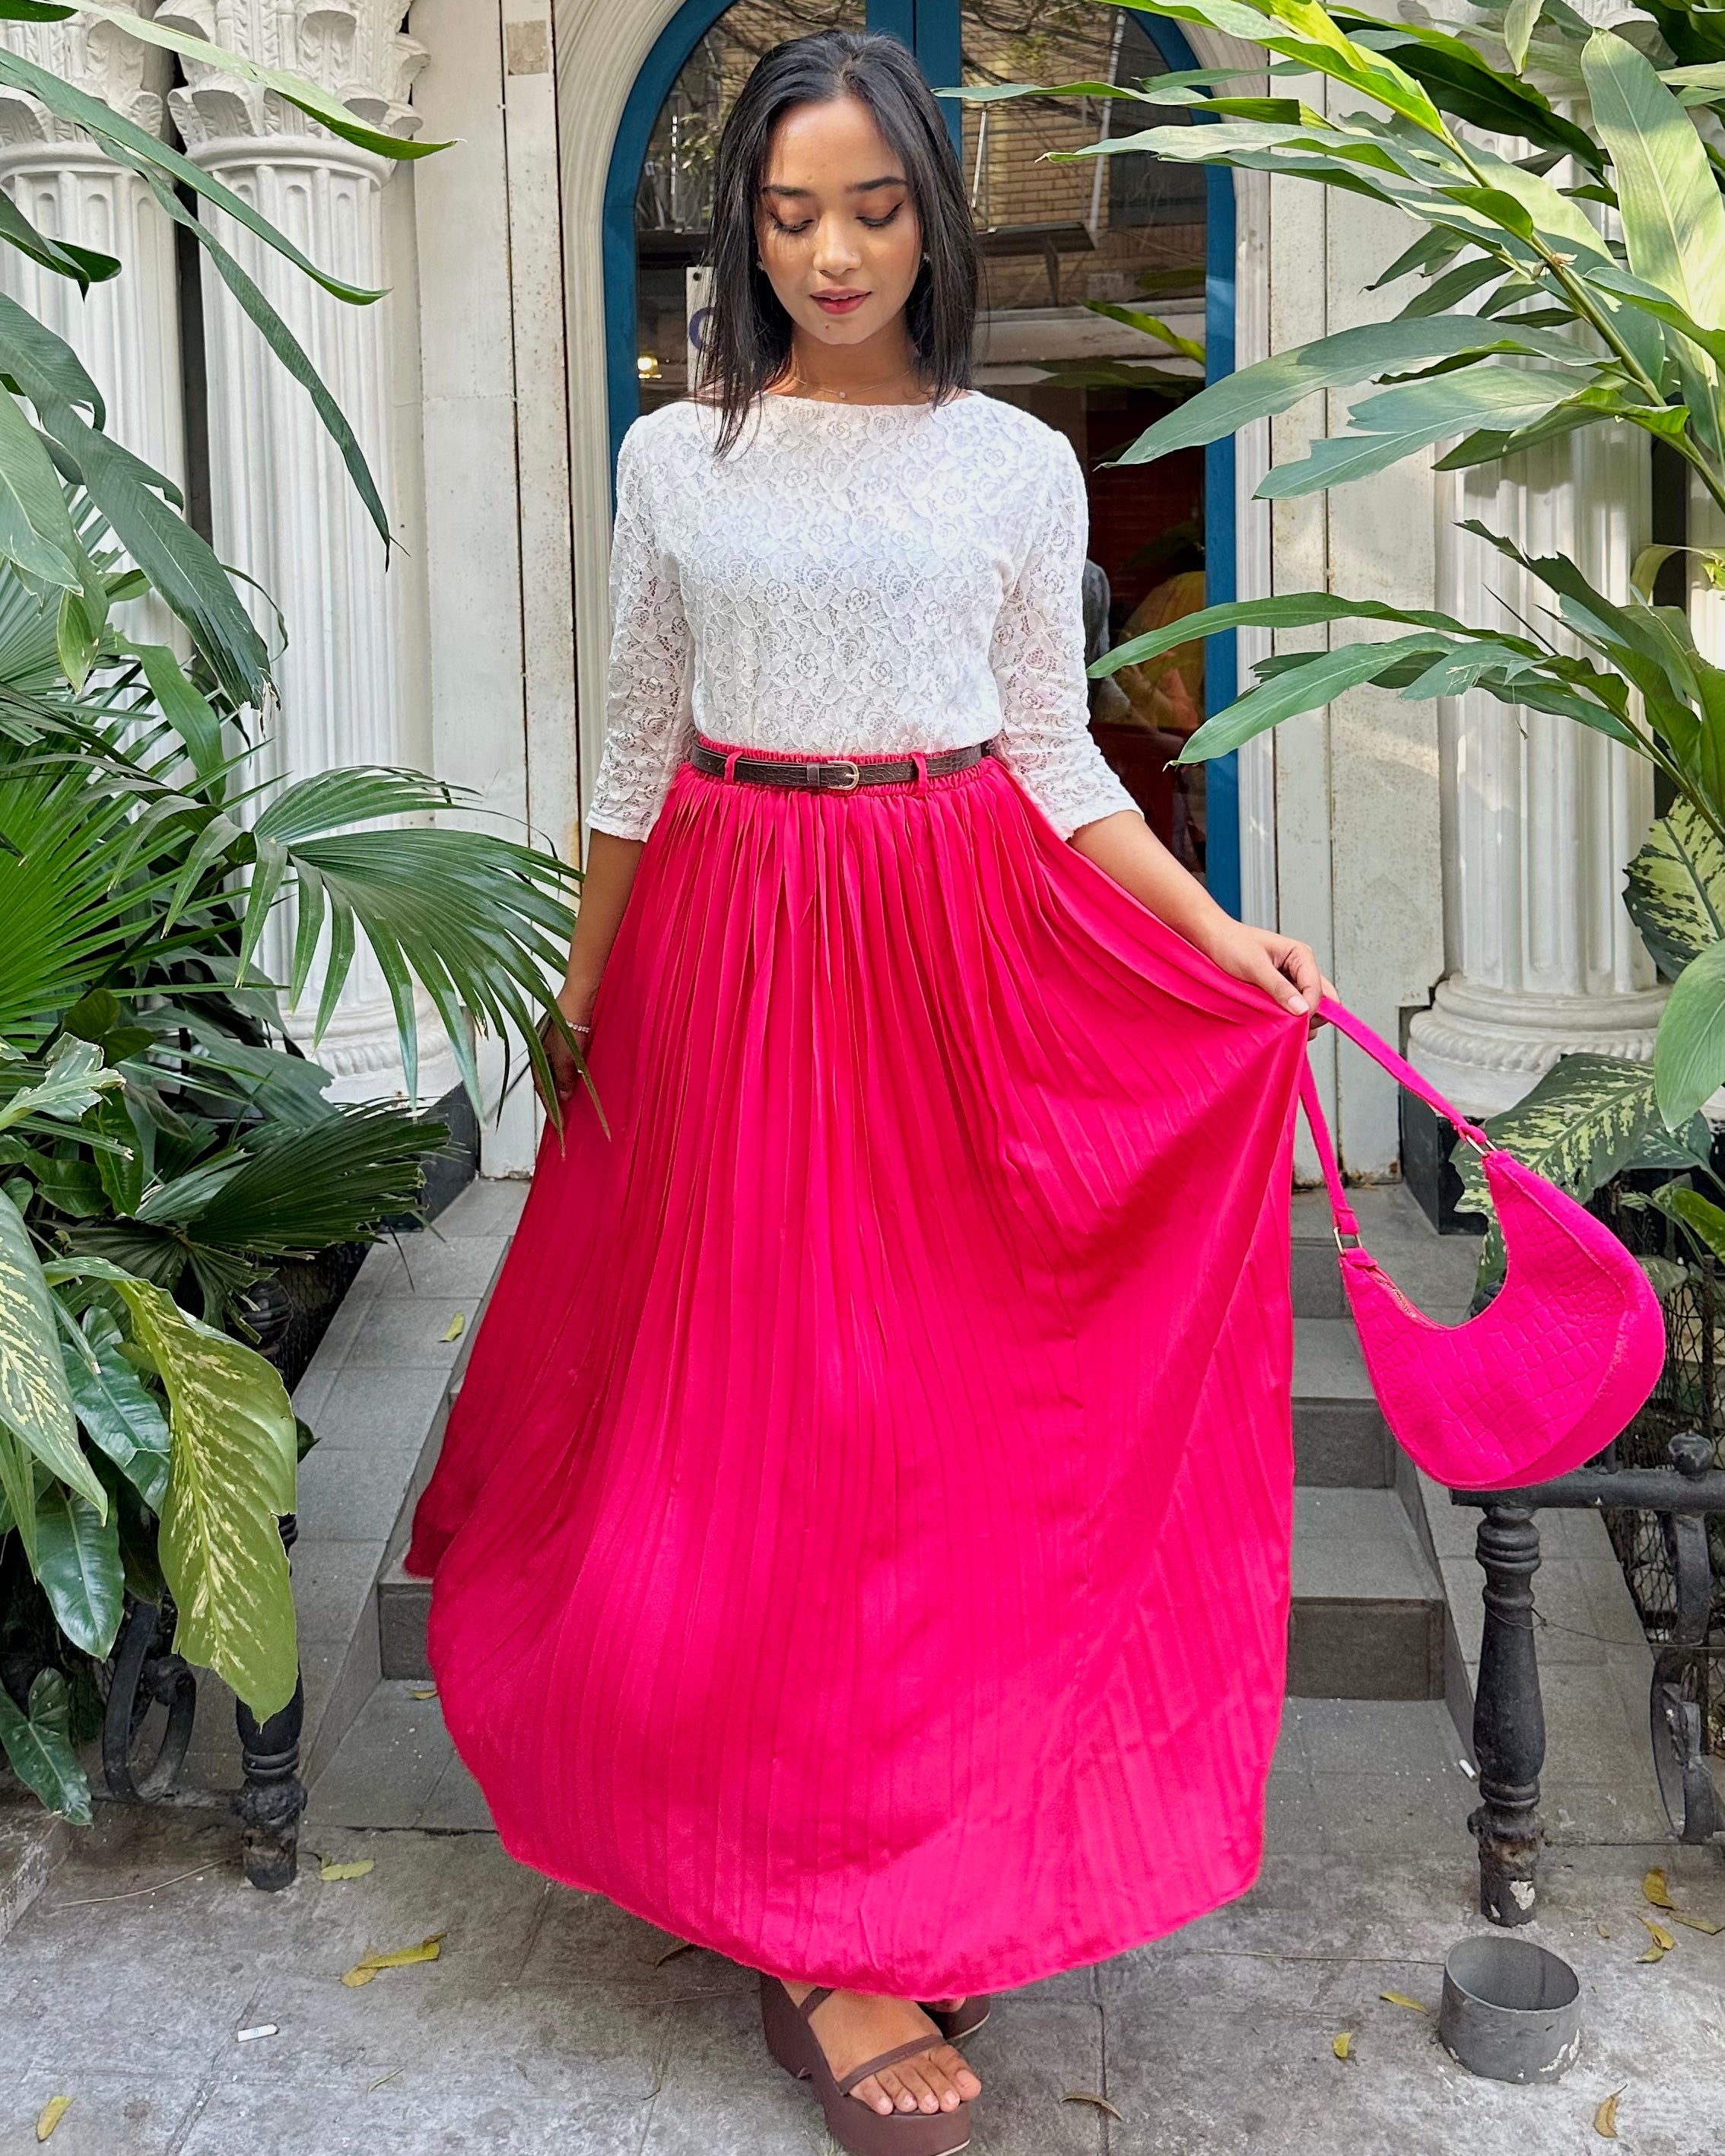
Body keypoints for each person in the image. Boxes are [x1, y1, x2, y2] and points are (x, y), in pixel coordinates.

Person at [407, 30, 1331, 2155]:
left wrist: (1215, 940)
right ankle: (820, 1922)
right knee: (776, 1422)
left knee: (926, 1427)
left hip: (947, 952)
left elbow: (1053, 751)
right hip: (735, 942)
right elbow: (637, 748)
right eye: (790, 211)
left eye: (875, 208)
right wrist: (586, 993)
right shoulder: (679, 458)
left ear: (936, 211)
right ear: (742, 227)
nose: (831, 250)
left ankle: (909, 1841)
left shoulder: (1009, 461)